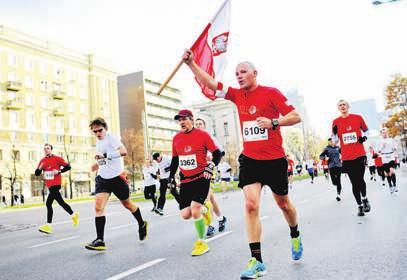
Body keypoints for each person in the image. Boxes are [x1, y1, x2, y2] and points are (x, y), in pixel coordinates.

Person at [183, 49, 303, 278]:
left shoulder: (271, 93)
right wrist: (191, 64)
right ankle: (257, 261)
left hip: (274, 159)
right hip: (250, 159)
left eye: (243, 72)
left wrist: (273, 122)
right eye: (236, 73)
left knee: (284, 204)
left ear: (255, 73)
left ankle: (295, 233)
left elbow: (296, 116)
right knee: (250, 204)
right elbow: (210, 82)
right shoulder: (237, 95)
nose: (238, 76)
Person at [85, 117, 147, 251]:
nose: (97, 134)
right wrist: (97, 164)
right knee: (98, 207)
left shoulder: (111, 138)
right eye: (94, 132)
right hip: (103, 179)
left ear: (105, 128)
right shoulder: (98, 142)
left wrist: (106, 155)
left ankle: (141, 224)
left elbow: (123, 151)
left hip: (117, 179)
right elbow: (103, 159)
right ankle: (100, 240)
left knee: (128, 205)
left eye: (100, 130)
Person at [168, 109, 222, 256]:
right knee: (186, 214)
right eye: (179, 120)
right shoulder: (176, 138)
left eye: (184, 119)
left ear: (191, 119)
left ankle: (202, 242)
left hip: (201, 178)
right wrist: (171, 177)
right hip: (186, 181)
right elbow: (175, 160)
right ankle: (206, 210)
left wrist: (211, 166)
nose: (181, 122)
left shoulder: (203, 135)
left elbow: (217, 153)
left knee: (194, 208)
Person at [332, 99, 371, 216]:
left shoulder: (357, 117)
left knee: (360, 179)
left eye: (344, 104)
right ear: (338, 108)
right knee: (354, 182)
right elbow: (334, 140)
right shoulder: (335, 122)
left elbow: (366, 131)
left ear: (348, 106)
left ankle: (365, 199)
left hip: (359, 154)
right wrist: (334, 136)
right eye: (340, 105)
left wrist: (364, 137)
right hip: (347, 157)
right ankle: (359, 206)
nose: (342, 107)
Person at [194, 117, 227, 238]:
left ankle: (210, 225)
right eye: (196, 124)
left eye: (200, 124)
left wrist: (212, 160)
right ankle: (221, 218)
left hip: (210, 169)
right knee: (211, 198)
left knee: (205, 198)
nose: (198, 125)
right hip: (198, 171)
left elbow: (220, 152)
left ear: (204, 126)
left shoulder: (210, 138)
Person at [35, 143, 79, 234]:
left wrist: (59, 171)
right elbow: (37, 173)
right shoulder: (42, 161)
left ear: (51, 149)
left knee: (49, 203)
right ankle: (74, 215)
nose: (46, 150)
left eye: (48, 148)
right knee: (59, 202)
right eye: (45, 149)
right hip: (49, 184)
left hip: (56, 184)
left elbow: (68, 167)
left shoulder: (57, 158)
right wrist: (40, 168)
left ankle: (48, 226)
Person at [376, 127, 398, 193]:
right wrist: (382, 147)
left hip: (391, 156)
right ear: (381, 134)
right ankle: (390, 186)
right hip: (384, 157)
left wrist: (394, 149)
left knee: (392, 171)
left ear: (387, 132)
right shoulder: (379, 141)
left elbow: (395, 147)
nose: (384, 134)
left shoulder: (391, 140)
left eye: (385, 132)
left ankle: (394, 185)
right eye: (383, 133)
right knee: (387, 173)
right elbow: (378, 151)